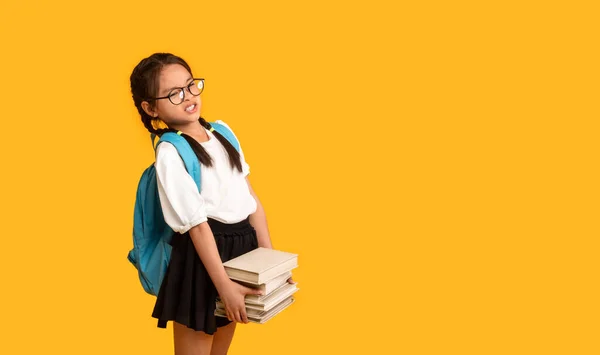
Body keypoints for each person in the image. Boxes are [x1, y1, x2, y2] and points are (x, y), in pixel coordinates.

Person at [129, 52, 293, 355]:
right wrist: (224, 287)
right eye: (173, 94)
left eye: (191, 86)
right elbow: (198, 227)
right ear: (150, 107)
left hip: (241, 251)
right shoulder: (170, 152)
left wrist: (271, 262)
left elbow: (251, 200)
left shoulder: (223, 132)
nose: (188, 97)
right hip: (204, 259)